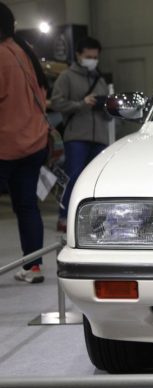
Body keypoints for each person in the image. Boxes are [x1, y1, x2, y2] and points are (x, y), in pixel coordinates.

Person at [0, 1, 49, 283]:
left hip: (5, 144)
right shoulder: (23, 51)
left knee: (25, 206)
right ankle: (33, 267)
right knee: (27, 206)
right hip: (34, 142)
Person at [50, 37, 110, 232]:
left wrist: (108, 107)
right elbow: (56, 102)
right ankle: (64, 217)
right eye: (88, 56)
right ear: (78, 55)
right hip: (76, 136)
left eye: (95, 57)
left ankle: (94, 220)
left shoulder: (100, 79)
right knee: (73, 177)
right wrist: (81, 104)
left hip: (100, 136)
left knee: (97, 180)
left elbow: (108, 111)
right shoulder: (66, 77)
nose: (92, 60)